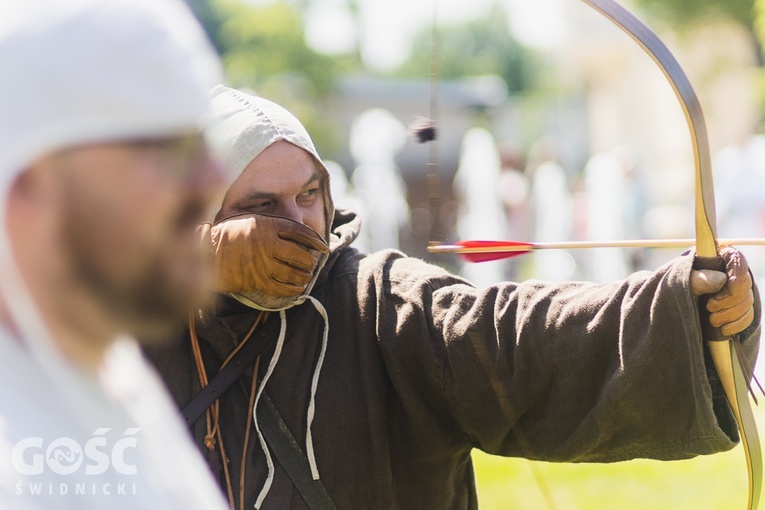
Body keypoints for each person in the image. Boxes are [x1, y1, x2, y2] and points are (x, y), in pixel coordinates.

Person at [148, 86, 761, 510]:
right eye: (260, 207)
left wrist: (684, 307)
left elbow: (514, 337)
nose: (300, 224)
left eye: (309, 195)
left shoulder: (379, 304)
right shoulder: (130, 319)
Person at [0, 1, 230, 509]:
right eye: (166, 147)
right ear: (27, 183)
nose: (214, 180)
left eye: (203, 142)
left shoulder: (107, 368)